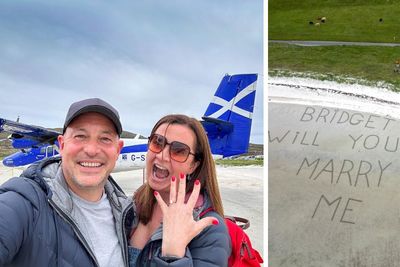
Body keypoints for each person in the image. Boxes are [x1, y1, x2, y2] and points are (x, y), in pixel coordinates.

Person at [0, 98, 135, 266]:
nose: (91, 150)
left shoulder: (129, 213)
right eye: (80, 136)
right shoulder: (24, 203)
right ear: (61, 145)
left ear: (118, 150)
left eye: (105, 138)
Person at [129, 114, 231, 266]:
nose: (162, 156)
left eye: (179, 151)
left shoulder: (211, 231)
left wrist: (173, 255)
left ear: (193, 165)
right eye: (157, 142)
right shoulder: (131, 206)